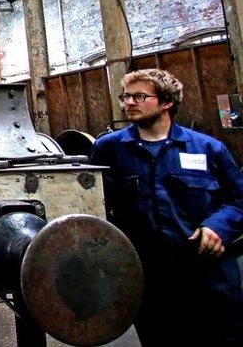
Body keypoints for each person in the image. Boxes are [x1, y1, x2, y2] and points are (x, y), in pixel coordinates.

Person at [91, 68, 243, 346]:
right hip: (150, 281)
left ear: (167, 102)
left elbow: (239, 200)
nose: (129, 103)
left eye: (139, 96)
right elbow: (95, 207)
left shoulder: (208, 149)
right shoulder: (108, 149)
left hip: (209, 277)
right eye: (126, 96)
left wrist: (218, 226)